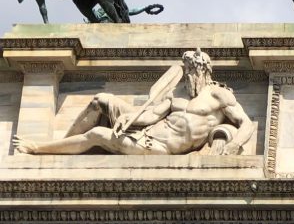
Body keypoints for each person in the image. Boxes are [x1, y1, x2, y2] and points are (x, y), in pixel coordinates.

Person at [15, 49, 254, 155]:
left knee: (98, 133)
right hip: (145, 133)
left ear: (203, 71)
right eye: (187, 71)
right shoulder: (177, 95)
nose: (189, 75)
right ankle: (62, 145)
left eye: (192, 70)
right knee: (101, 99)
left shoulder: (219, 95)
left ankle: (39, 149)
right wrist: (132, 117)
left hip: (160, 149)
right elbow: (151, 116)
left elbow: (246, 124)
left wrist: (235, 145)